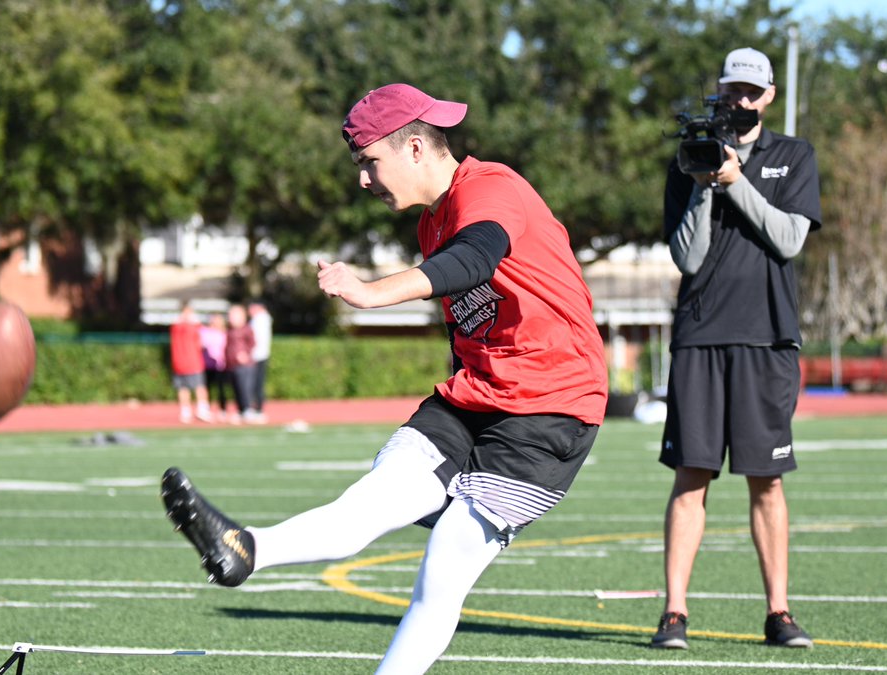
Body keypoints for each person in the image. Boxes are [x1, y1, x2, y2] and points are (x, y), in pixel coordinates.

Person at [161, 83, 608, 673]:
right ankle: (248, 548)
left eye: (370, 162)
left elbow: (473, 259)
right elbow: (466, 325)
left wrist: (371, 293)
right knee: (372, 500)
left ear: (416, 147)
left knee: (446, 561)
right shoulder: (430, 224)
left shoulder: (492, 188)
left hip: (552, 408)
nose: (364, 181)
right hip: (473, 399)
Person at [652, 47, 821, 650]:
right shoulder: (685, 161)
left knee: (767, 479)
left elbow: (788, 240)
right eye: (732, 90)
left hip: (768, 336)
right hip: (700, 336)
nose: (740, 101)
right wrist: (702, 186)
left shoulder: (793, 155)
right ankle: (674, 613)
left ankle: (779, 612)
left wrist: (735, 181)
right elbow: (688, 258)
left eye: (752, 92)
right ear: (720, 90)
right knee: (691, 475)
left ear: (768, 95)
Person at [169, 301, 212, 424]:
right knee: (194, 387)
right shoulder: (191, 327)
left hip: (183, 363)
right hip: (190, 363)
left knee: (186, 388)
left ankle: (190, 411)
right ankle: (196, 410)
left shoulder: (176, 327)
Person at [223, 303, 258, 424]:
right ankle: (240, 410)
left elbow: (253, 343)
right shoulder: (230, 330)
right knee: (236, 388)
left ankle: (248, 410)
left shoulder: (246, 329)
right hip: (232, 364)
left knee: (245, 388)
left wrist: (245, 354)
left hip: (245, 365)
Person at [200, 312, 231, 422]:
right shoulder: (205, 332)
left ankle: (223, 410)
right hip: (207, 364)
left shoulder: (225, 333)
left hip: (220, 365)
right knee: (206, 388)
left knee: (221, 388)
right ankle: (206, 410)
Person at [248, 301, 273, 420]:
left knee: (257, 383)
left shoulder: (260, 319)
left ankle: (258, 409)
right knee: (255, 383)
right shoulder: (261, 319)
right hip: (258, 355)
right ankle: (256, 407)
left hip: (258, 356)